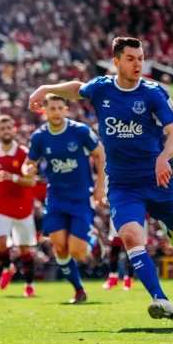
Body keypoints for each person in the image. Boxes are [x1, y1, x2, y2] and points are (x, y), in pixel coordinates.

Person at [29, 36, 173, 320]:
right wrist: (45, 88)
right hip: (122, 184)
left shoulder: (153, 93)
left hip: (158, 178)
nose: (138, 64)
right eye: (131, 59)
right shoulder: (102, 88)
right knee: (131, 236)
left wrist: (162, 158)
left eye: (141, 58)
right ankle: (161, 299)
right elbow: (76, 89)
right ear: (116, 62)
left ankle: (171, 228)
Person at [25, 93, 107, 304]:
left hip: (80, 196)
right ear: (45, 111)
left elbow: (100, 154)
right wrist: (28, 169)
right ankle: (79, 290)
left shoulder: (80, 131)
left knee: (77, 252)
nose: (56, 112)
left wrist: (100, 186)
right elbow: (30, 162)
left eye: (59, 108)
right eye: (51, 108)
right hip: (56, 198)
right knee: (59, 246)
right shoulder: (39, 137)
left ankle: (94, 243)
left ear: (65, 110)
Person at [0, 113, 39, 297]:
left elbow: (31, 182)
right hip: (1, 208)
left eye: (9, 128)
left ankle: (29, 285)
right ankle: (8, 267)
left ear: (14, 130)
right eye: (2, 128)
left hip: (22, 208)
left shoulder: (24, 153)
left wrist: (11, 177)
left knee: (24, 249)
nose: (6, 131)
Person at [102, 221, 134, 291]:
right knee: (114, 253)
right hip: (117, 220)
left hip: (130, 222)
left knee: (129, 254)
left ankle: (128, 280)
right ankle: (113, 278)